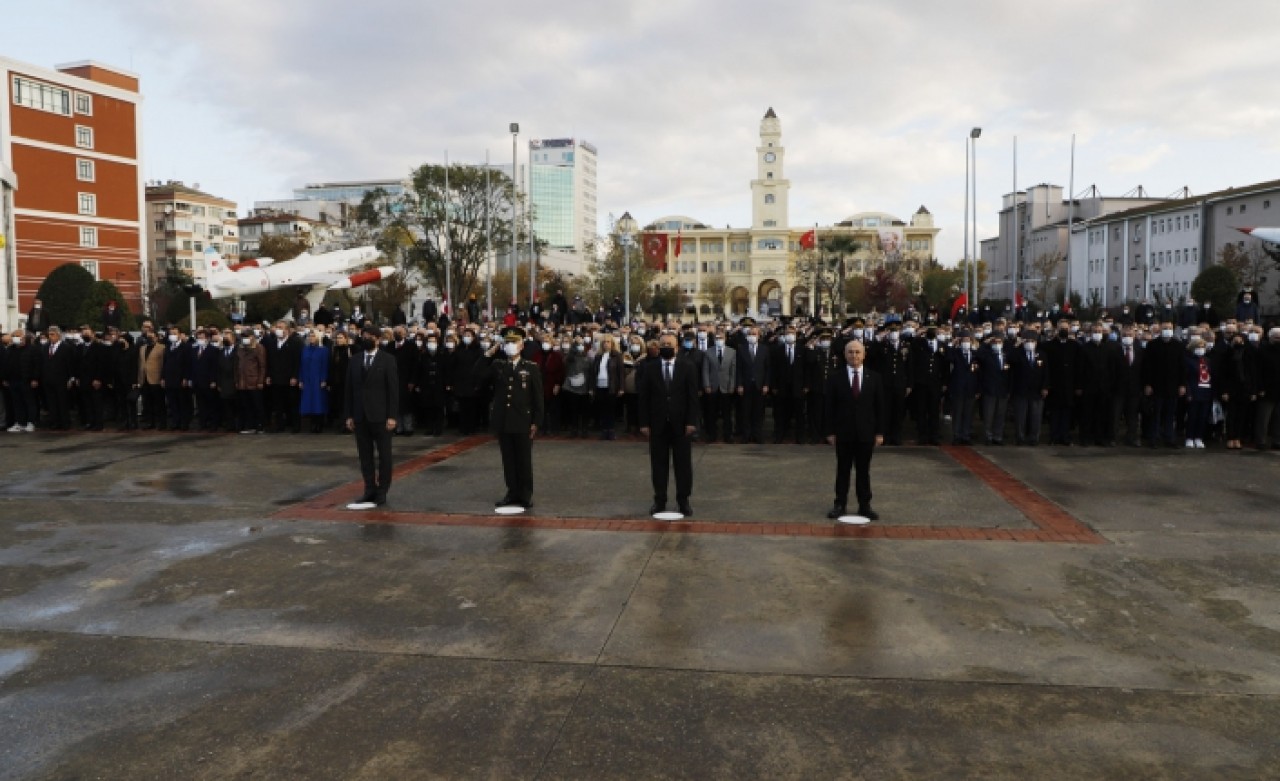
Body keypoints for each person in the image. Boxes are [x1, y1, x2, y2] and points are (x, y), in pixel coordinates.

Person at [637, 332, 699, 516]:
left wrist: (691, 421)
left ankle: (683, 500)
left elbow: (692, 397)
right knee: (658, 465)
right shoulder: (650, 368)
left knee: (683, 465)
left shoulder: (687, 367)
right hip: (657, 424)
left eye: (669, 344)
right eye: (662, 344)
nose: (665, 347)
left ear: (677, 347)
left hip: (681, 424)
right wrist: (644, 423)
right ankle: (660, 500)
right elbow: (643, 398)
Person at [824, 340, 885, 520]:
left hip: (866, 433)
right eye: (850, 352)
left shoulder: (874, 378)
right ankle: (840, 504)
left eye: (858, 352)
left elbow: (880, 407)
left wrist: (880, 432)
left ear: (864, 355)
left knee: (863, 471)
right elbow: (829, 407)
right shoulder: (836, 378)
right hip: (843, 433)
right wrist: (830, 432)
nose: (854, 355)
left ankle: (864, 505)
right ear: (845, 355)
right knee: (843, 470)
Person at [488, 326, 543, 509]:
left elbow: (537, 398)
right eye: (507, 343)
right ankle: (512, 492)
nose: (510, 345)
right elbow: (477, 374)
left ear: (521, 346)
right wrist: (489, 353)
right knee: (508, 460)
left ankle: (525, 494)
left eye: (514, 342)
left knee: (523, 459)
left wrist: (536, 422)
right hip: (504, 420)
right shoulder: (498, 365)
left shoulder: (531, 368)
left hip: (523, 420)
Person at [344, 324, 399, 507]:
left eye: (368, 336)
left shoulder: (387, 359)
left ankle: (382, 491)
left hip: (381, 415)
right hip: (360, 415)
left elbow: (393, 390)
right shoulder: (355, 360)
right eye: (363, 335)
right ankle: (369, 489)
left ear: (377, 338)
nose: (365, 338)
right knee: (365, 456)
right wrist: (349, 415)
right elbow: (349, 389)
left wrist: (392, 416)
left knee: (384, 456)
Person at [299, 331, 331, 433]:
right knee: (309, 402)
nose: (311, 338)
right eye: (310, 336)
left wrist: (324, 379)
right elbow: (301, 365)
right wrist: (301, 379)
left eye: (313, 336)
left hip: (318, 379)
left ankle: (319, 424)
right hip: (307, 379)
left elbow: (325, 365)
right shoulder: (305, 350)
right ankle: (312, 424)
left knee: (319, 402)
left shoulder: (324, 350)